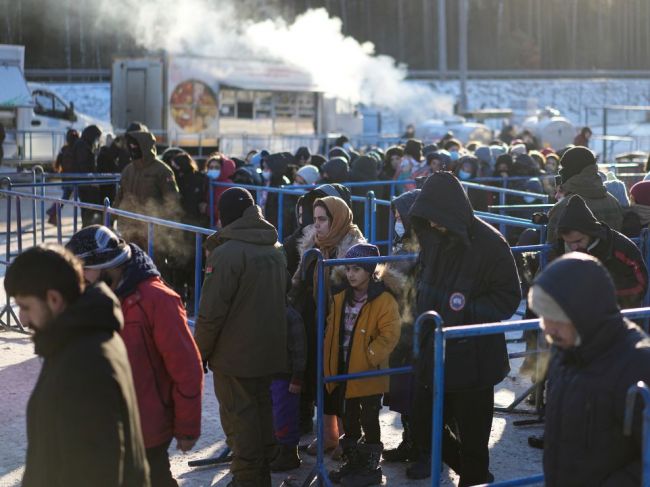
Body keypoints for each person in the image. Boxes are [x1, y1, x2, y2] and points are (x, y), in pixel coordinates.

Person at [66, 225, 203, 487]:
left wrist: (187, 428)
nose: (80, 278)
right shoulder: (91, 298)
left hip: (146, 430)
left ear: (108, 265)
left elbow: (187, 368)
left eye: (85, 270)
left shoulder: (158, 300)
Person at [407, 172, 521, 484]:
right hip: (435, 351)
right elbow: (424, 284)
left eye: (436, 217)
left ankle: (473, 474)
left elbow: (510, 296)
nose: (431, 224)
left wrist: (466, 313)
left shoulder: (491, 244)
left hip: (474, 357)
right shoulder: (433, 239)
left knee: (474, 438)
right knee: (421, 425)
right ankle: (474, 472)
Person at [5, 245, 150, 486]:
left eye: (26, 306)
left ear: (53, 299)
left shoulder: (84, 362)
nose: (23, 319)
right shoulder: (81, 339)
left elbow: (95, 472)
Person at [528, 252, 650, 486]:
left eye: (558, 319)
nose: (548, 330)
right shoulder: (566, 350)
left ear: (584, 312)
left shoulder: (638, 363)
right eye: (545, 318)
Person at [194, 188, 288, 487]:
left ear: (225, 216)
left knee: (239, 417)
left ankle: (248, 479)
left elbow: (211, 313)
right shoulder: (275, 248)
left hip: (234, 354)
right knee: (261, 409)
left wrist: (200, 352)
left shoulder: (226, 254)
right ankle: (261, 474)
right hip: (269, 348)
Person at [289, 195, 366, 457]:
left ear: (337, 219)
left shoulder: (354, 247)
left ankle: (348, 437)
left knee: (341, 380)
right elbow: (299, 283)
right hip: (317, 320)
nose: (317, 225)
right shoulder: (313, 245)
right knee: (321, 377)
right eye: (316, 219)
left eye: (323, 219)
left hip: (345, 322)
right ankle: (328, 435)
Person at [325, 244, 401, 486]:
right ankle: (353, 463)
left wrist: (370, 354)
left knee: (369, 417)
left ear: (369, 271)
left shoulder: (383, 299)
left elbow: (390, 333)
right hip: (344, 369)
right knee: (348, 417)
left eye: (357, 269)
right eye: (348, 269)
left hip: (368, 371)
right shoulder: (340, 297)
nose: (350, 274)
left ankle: (370, 468)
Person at [555, 195, 647, 309]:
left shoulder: (620, 247)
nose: (573, 247)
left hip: (621, 316)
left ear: (590, 232)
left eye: (578, 241)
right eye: (568, 243)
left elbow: (641, 284)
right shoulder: (569, 250)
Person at [382, 190, 420, 463]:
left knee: (416, 392)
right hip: (401, 325)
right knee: (404, 392)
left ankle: (422, 450)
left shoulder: (419, 248)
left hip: (413, 325)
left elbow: (398, 278)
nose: (396, 220)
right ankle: (410, 442)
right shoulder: (401, 244)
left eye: (399, 216)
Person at [114, 129, 181, 250]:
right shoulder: (128, 170)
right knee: (129, 262)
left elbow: (172, 200)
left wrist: (170, 229)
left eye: (135, 144)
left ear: (144, 146)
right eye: (130, 145)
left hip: (153, 230)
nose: (132, 147)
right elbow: (119, 196)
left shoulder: (162, 170)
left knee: (154, 263)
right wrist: (110, 219)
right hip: (128, 228)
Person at [546, 146, 623, 243]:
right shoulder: (614, 201)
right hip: (611, 257)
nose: (561, 171)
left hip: (574, 257)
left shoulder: (564, 206)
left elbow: (550, 247)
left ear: (571, 170)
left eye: (563, 167)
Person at [269, 306, 307, 472]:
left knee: (285, 416)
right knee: (274, 416)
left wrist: (297, 376)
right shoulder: (265, 310)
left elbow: (300, 349)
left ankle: (289, 454)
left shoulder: (290, 316)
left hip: (285, 377)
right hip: (270, 374)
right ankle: (278, 450)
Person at [47, 128, 80, 225]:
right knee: (83, 199)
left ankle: (53, 211)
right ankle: (53, 211)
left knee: (65, 197)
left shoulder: (64, 150)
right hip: (75, 180)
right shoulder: (75, 150)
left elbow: (57, 166)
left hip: (66, 179)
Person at [72, 124, 102, 227]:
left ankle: (88, 228)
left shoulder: (84, 144)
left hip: (85, 183)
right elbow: (84, 165)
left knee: (88, 209)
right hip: (85, 184)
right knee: (89, 209)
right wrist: (92, 180)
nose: (97, 140)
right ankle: (87, 229)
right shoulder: (82, 145)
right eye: (97, 137)